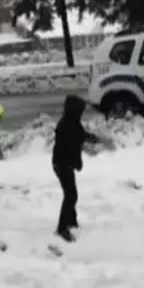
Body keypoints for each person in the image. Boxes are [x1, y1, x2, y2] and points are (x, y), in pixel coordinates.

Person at [52, 95, 100, 242]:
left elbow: (81, 135)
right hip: (62, 164)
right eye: (80, 110)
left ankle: (71, 220)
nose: (82, 113)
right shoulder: (66, 125)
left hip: (65, 163)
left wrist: (96, 139)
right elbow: (76, 141)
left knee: (71, 193)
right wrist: (88, 149)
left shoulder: (72, 121)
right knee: (70, 195)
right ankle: (62, 228)